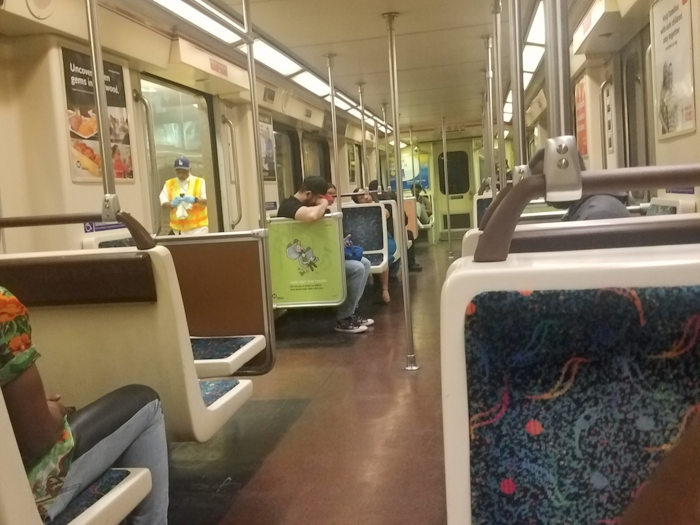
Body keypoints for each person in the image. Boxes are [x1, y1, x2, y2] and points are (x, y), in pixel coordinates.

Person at [0, 287, 168, 524]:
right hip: (17, 496)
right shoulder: (2, 307)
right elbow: (37, 438)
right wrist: (55, 410)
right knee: (146, 401)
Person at [277, 177, 373, 334]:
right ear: (308, 194)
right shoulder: (288, 206)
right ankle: (343, 319)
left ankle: (351, 312)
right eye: (319, 198)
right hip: (304, 260)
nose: (321, 202)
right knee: (356, 269)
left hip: (321, 253)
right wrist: (322, 203)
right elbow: (311, 216)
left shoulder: (310, 205)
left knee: (366, 263)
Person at [528, 148, 631, 221]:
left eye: (546, 188)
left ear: (566, 178)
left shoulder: (598, 215)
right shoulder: (582, 209)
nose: (547, 201)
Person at [368, 180, 422, 272]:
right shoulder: (391, 198)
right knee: (409, 234)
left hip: (370, 235)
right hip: (392, 232)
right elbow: (404, 220)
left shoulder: (366, 202)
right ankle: (410, 264)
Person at [159, 156, 209, 236]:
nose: (181, 174)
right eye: (179, 172)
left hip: (198, 229)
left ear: (190, 169)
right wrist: (171, 204)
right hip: (178, 230)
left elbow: (208, 201)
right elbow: (163, 203)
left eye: (184, 172)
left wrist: (195, 200)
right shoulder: (169, 184)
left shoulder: (200, 182)